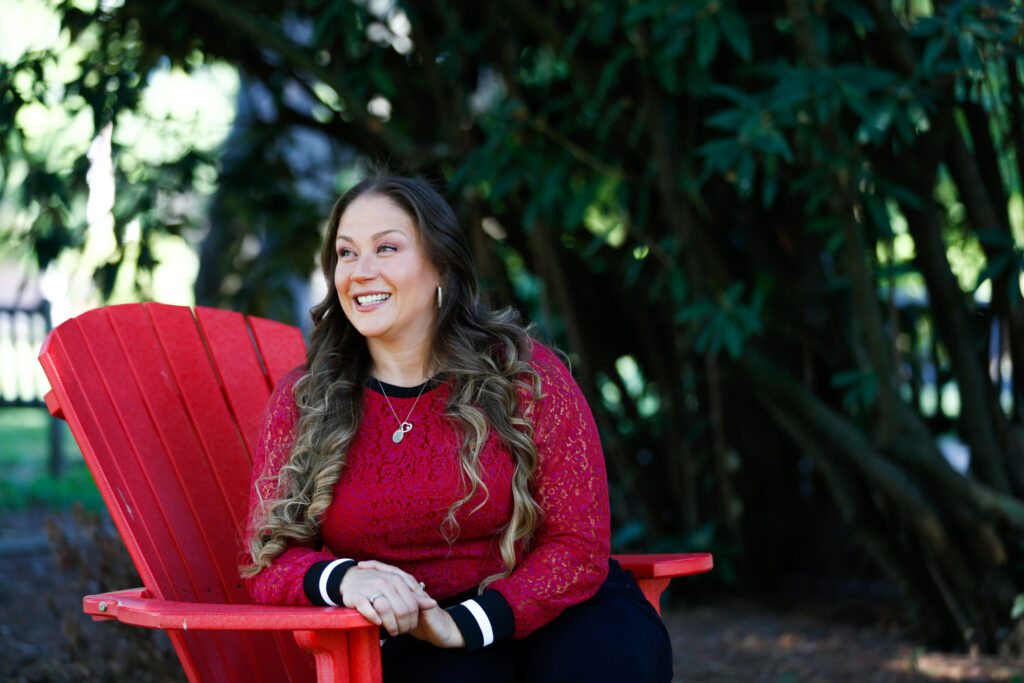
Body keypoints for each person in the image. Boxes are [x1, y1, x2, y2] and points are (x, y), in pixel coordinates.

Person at [241, 174, 672, 682]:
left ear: (440, 264)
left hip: (561, 610)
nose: (361, 271)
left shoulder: (523, 375)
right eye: (347, 253)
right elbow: (268, 559)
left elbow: (577, 544)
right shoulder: (309, 397)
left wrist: (468, 623)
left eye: (387, 248)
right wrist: (343, 581)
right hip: (418, 639)